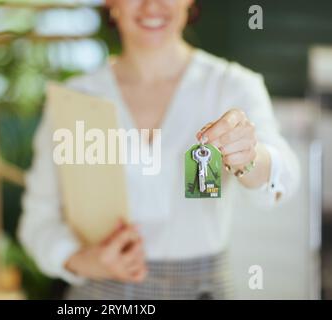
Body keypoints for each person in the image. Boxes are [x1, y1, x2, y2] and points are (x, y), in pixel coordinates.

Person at [18, 0, 299, 299]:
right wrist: (82, 259)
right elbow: (38, 221)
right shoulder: (76, 98)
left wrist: (250, 157)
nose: (152, 6)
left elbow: (284, 181)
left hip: (202, 290)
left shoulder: (231, 86)